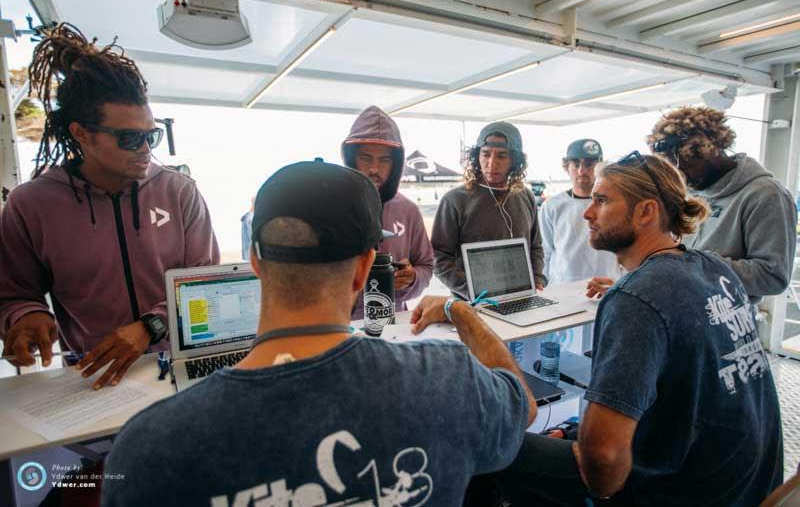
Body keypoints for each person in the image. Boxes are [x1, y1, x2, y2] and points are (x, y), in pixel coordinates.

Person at [102, 161, 535, 506]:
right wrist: (460, 311)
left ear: (255, 262)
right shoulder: (449, 378)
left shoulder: (149, 448)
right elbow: (523, 407)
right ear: (365, 269)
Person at [472, 152, 782, 506]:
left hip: (676, 494)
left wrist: (460, 313)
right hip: (746, 487)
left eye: (601, 201)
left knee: (486, 439)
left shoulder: (637, 298)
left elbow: (602, 462)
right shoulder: (714, 269)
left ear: (646, 211)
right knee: (569, 432)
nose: (588, 213)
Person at [0, 24, 219, 389]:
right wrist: (27, 316)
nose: (145, 149)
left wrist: (150, 328)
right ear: (82, 134)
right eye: (129, 138)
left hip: (182, 370)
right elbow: (14, 293)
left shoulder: (180, 192)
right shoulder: (31, 205)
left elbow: (205, 284)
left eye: (151, 135)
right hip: (94, 376)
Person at [649, 106, 796, 303]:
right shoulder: (692, 191)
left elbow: (772, 277)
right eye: (674, 168)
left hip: (726, 321)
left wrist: (695, 263)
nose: (681, 176)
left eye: (687, 165)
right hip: (683, 309)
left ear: (711, 149)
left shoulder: (766, 195)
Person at [432, 122, 545, 299]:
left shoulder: (526, 197)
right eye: (485, 154)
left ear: (515, 160)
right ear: (477, 156)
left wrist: (537, 278)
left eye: (502, 156)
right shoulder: (455, 200)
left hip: (522, 300)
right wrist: (474, 291)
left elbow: (535, 246)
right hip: (471, 305)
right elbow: (438, 258)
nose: (492, 163)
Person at [341, 105, 434, 318]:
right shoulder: (331, 207)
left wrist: (412, 278)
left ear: (396, 164)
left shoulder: (408, 210)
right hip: (343, 325)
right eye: (366, 158)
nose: (374, 168)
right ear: (351, 158)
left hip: (395, 324)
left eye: (384, 160)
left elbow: (426, 266)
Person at [540, 139, 620, 285]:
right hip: (562, 288)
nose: (582, 171)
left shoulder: (616, 204)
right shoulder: (552, 206)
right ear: (566, 167)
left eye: (589, 164)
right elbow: (545, 251)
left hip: (606, 286)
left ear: (599, 167)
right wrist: (543, 285)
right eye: (576, 164)